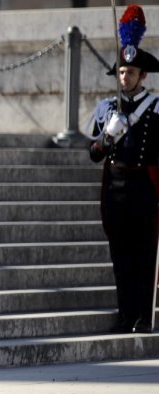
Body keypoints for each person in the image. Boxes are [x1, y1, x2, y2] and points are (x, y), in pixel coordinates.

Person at [87, 5, 159, 334]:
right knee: (120, 256)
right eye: (121, 72)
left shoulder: (156, 108)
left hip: (143, 187)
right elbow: (93, 154)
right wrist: (107, 135)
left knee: (144, 255)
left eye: (130, 72)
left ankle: (143, 315)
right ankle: (125, 312)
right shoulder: (107, 108)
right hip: (115, 189)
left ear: (143, 75)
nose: (124, 77)